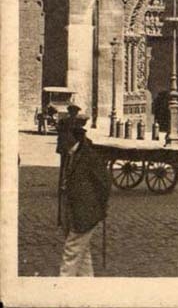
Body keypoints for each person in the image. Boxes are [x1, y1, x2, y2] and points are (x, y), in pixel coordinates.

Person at [58, 113, 111, 276]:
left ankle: (61, 293)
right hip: (72, 212)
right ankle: (88, 287)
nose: (59, 140)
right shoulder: (70, 154)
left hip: (85, 214)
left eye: (62, 135)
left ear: (72, 136)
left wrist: (99, 207)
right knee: (83, 256)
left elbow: (105, 184)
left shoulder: (90, 156)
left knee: (70, 256)